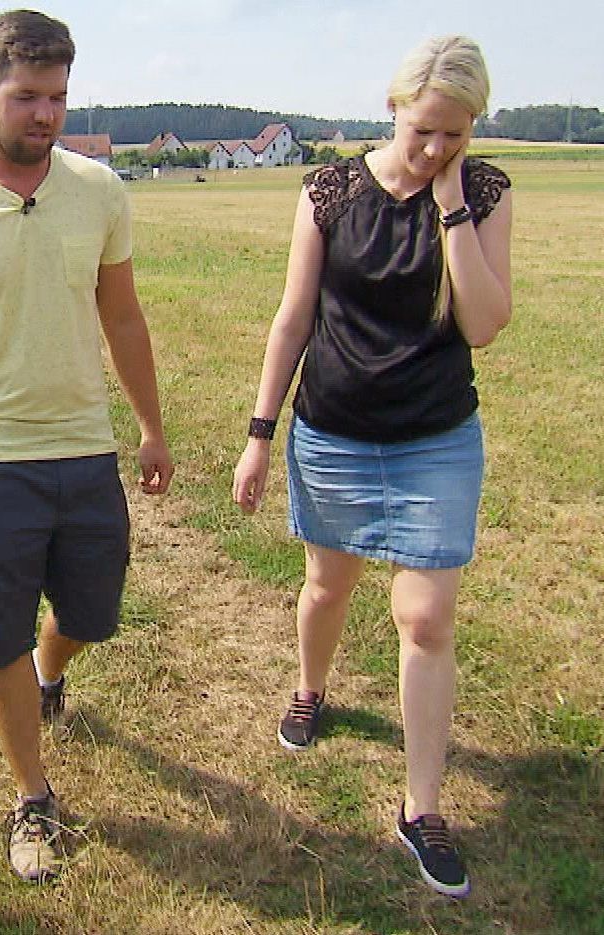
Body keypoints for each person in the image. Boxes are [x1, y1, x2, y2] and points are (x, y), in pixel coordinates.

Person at [0, 10, 174, 884]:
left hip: (86, 452)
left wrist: (152, 423)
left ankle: (54, 671)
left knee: (91, 615)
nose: (44, 115)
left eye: (57, 97)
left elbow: (121, 315)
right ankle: (33, 796)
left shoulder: (100, 192)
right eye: (26, 97)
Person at [232, 36, 512, 897]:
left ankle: (420, 805)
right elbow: (292, 318)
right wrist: (259, 431)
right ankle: (311, 687)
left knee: (425, 618)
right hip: (335, 433)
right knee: (329, 586)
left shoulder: (486, 192)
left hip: (435, 439)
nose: (436, 150)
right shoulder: (328, 191)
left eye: (456, 137)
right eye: (426, 131)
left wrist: (455, 204)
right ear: (394, 108)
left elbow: (485, 323)